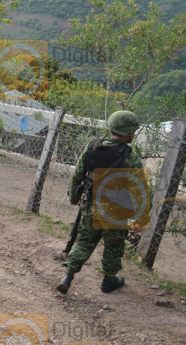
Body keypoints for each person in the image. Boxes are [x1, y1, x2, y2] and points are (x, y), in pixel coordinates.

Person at [56, 110, 146, 295]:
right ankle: (109, 281)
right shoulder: (131, 157)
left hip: (91, 207)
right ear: (129, 132)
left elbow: (77, 174)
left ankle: (68, 276)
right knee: (113, 247)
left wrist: (73, 196)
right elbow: (140, 190)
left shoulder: (92, 147)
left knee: (83, 241)